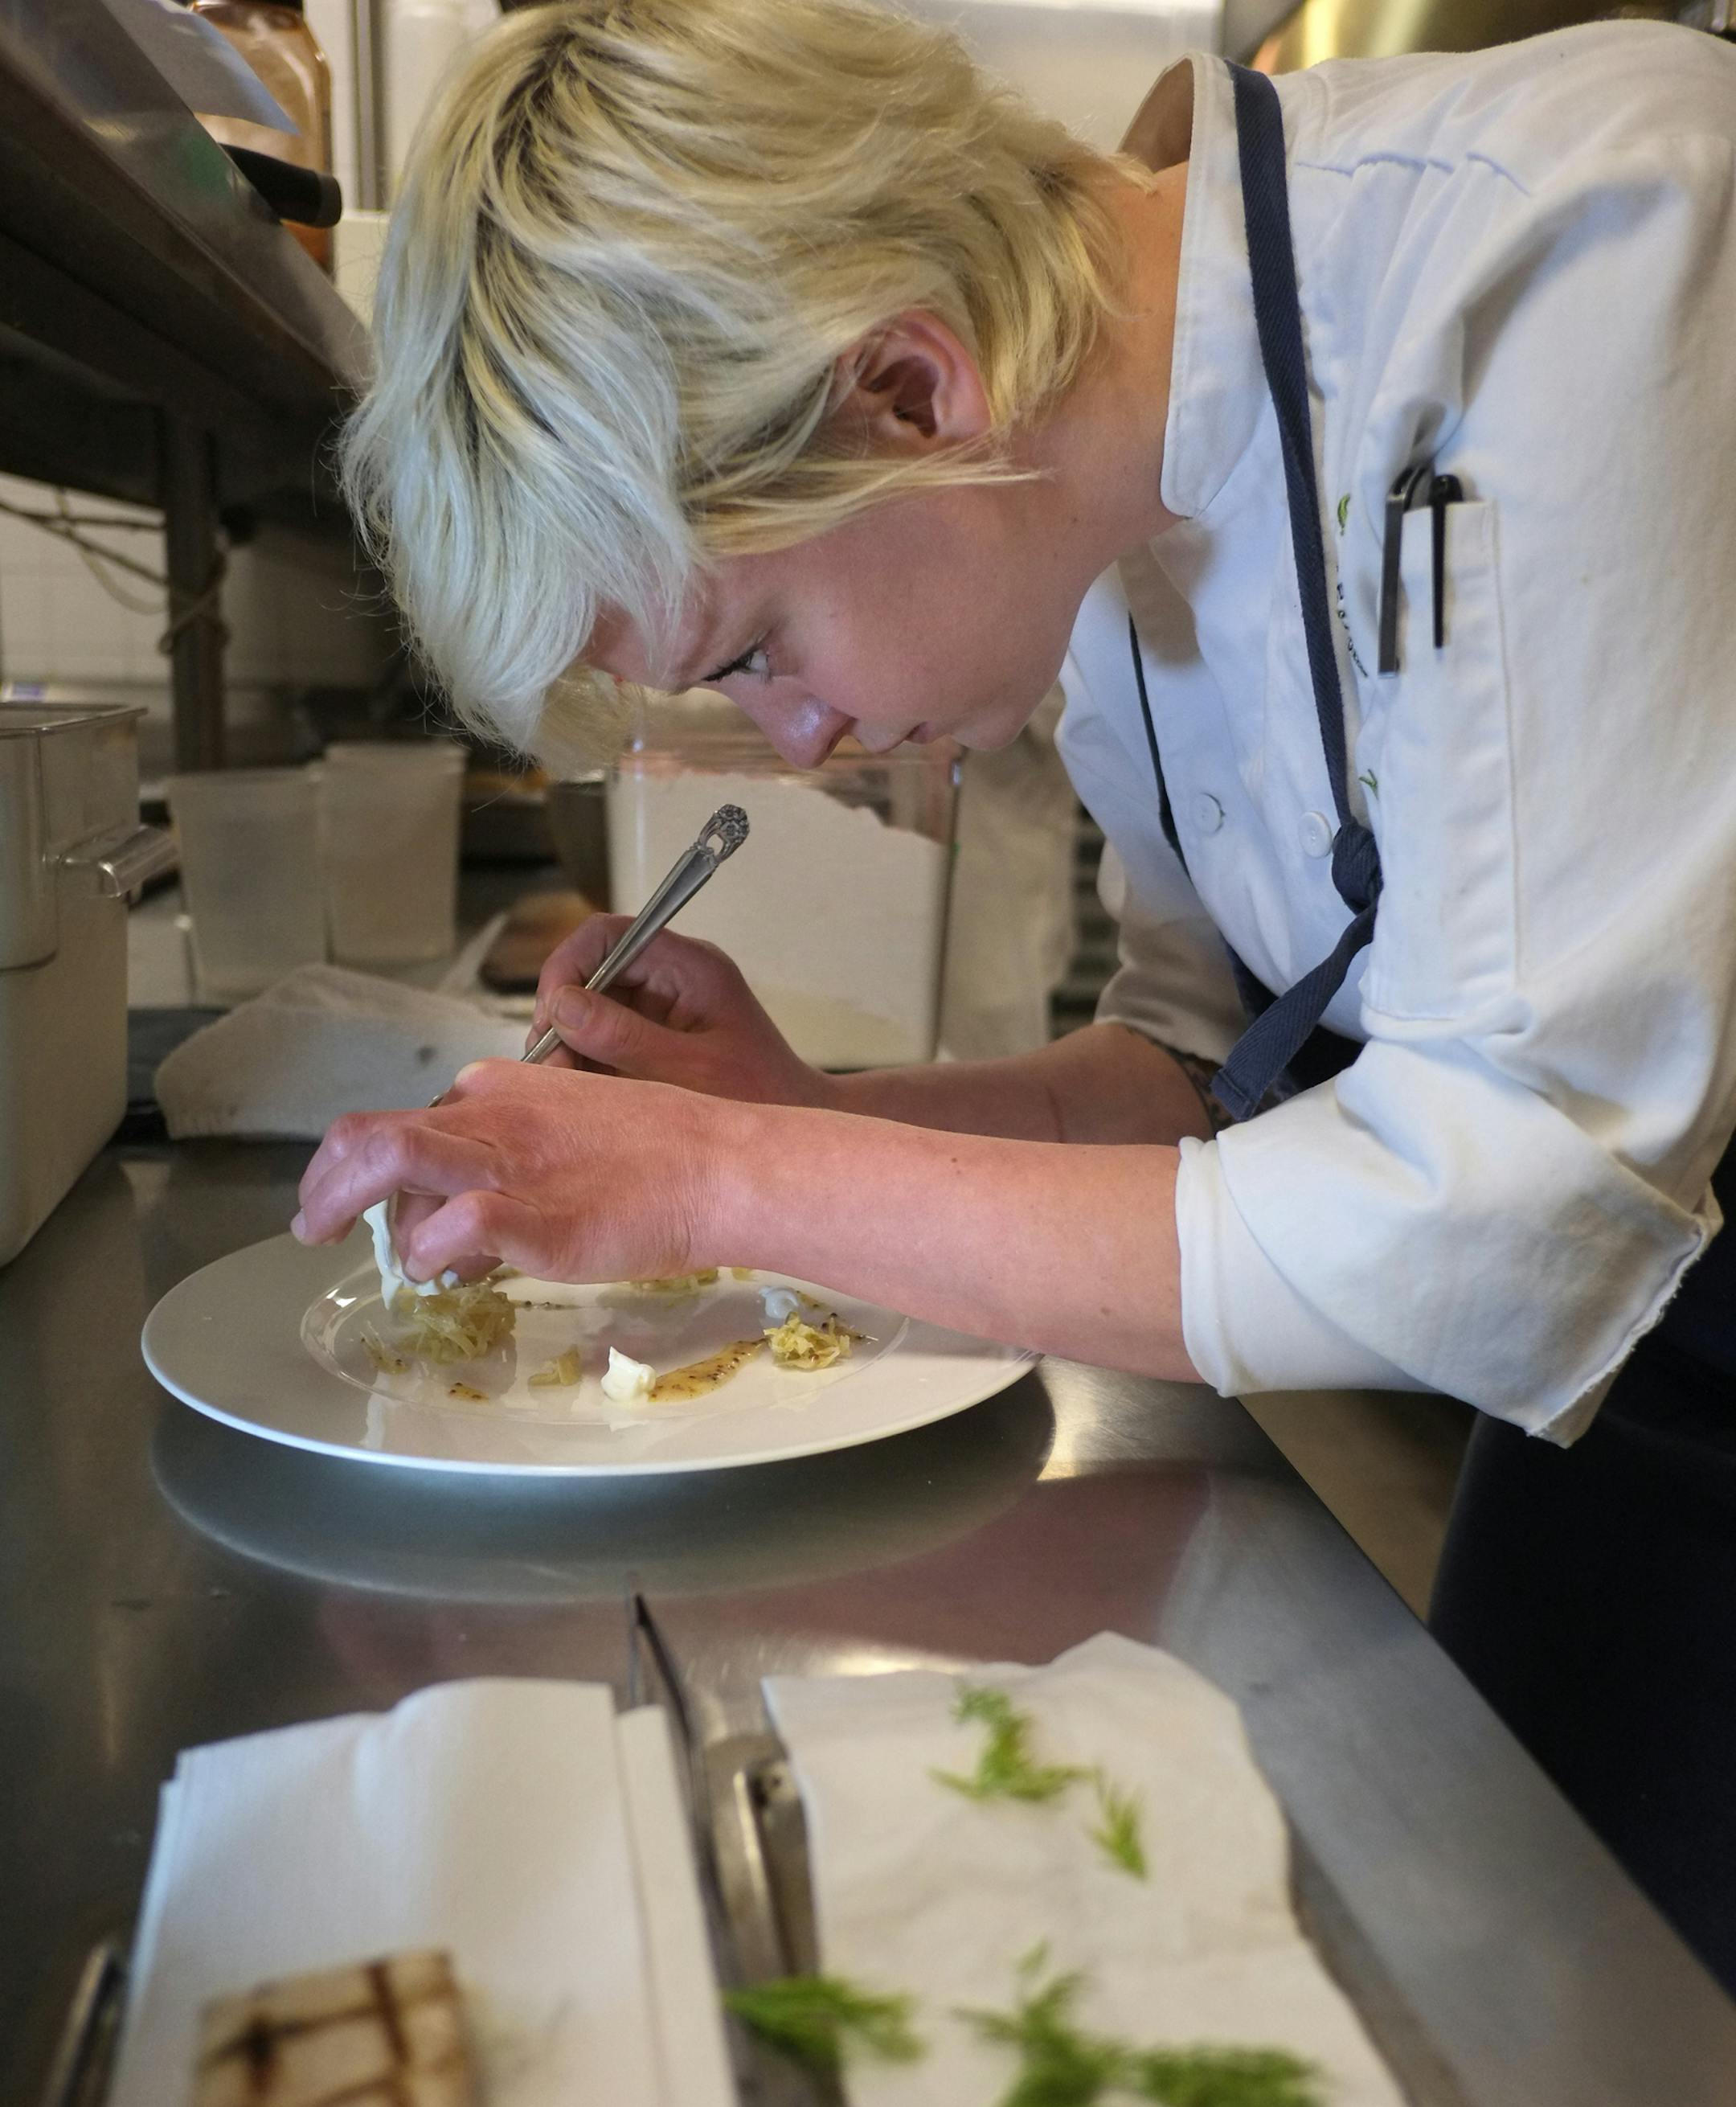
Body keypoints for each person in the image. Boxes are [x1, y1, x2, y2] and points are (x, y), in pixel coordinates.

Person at [291, 0, 1736, 1986]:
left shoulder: (1582, 242)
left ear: (905, 387)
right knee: (1499, 1959)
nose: (791, 745)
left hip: (1615, 1282)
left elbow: (1510, 1229)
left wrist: (716, 1185)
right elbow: (1194, 1080)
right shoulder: (1114, 523)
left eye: (752, 652)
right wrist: (780, 1121)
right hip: (1646, 1384)